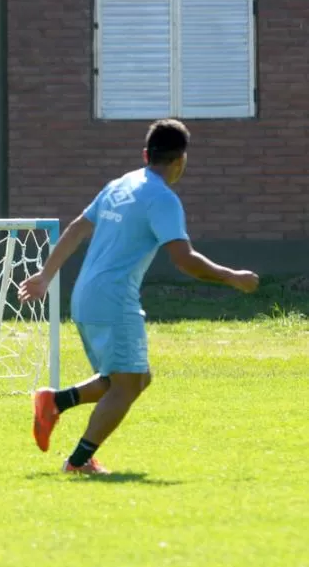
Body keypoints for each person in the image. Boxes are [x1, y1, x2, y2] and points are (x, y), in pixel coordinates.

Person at [18, 119, 260, 475]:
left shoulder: (120, 185)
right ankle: (78, 462)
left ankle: (55, 401)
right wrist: (231, 276)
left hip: (86, 294)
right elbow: (184, 260)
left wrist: (45, 275)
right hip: (114, 300)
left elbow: (75, 229)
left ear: (146, 154)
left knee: (134, 378)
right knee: (127, 384)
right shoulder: (162, 198)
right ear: (181, 161)